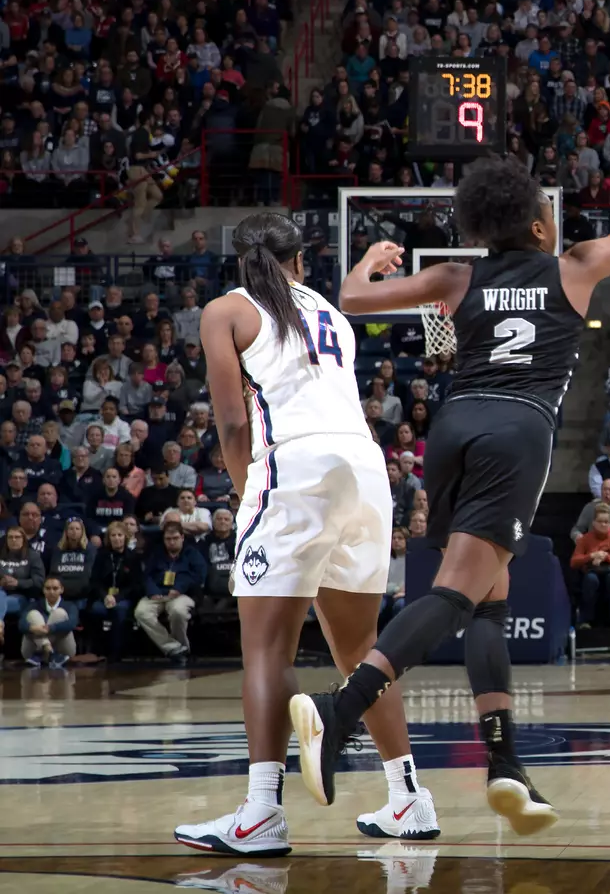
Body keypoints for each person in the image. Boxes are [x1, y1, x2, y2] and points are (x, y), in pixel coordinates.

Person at [289, 131, 610, 831]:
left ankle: (507, 764)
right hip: (517, 432)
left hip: (451, 430)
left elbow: (353, 298)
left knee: (486, 602)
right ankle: (341, 708)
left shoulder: (455, 276)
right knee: (455, 597)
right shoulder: (571, 267)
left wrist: (369, 259)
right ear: (540, 225)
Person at [172, 213, 439, 857]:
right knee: (359, 650)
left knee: (268, 652)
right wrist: (363, 268)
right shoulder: (330, 312)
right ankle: (408, 798)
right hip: (367, 471)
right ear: (300, 260)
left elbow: (234, 427)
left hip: (295, 467)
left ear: (242, 260)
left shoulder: (226, 311)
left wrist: (247, 496)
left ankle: (262, 811)